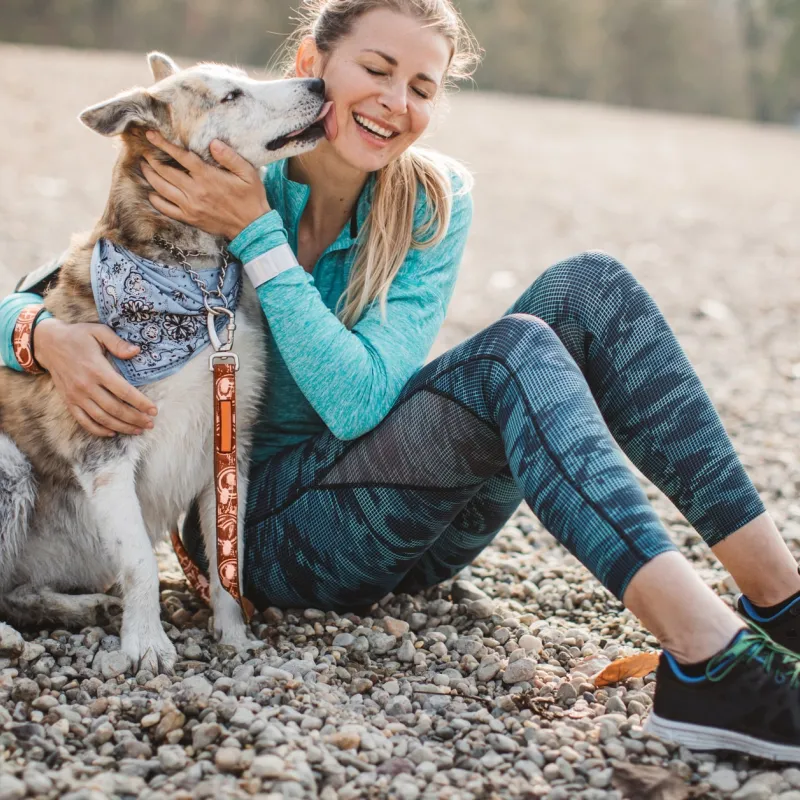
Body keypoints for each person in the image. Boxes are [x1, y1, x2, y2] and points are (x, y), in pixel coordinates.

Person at [3, 0, 800, 760]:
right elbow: (57, 282)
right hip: (265, 539)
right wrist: (39, 334)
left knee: (589, 287)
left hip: (407, 521)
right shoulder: (233, 161)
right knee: (509, 354)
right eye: (376, 70)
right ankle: (708, 663)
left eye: (421, 87)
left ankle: (783, 604)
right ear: (314, 63)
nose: (394, 103)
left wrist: (258, 239)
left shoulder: (429, 199)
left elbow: (359, 402)